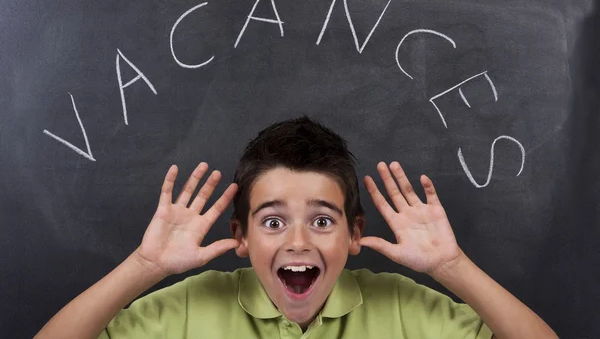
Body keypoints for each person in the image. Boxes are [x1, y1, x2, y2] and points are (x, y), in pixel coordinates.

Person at [35, 116, 557, 339]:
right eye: (274, 221)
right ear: (240, 237)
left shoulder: (404, 307)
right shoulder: (190, 307)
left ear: (354, 235)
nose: (298, 241)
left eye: (323, 220)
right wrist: (144, 267)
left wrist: (453, 267)